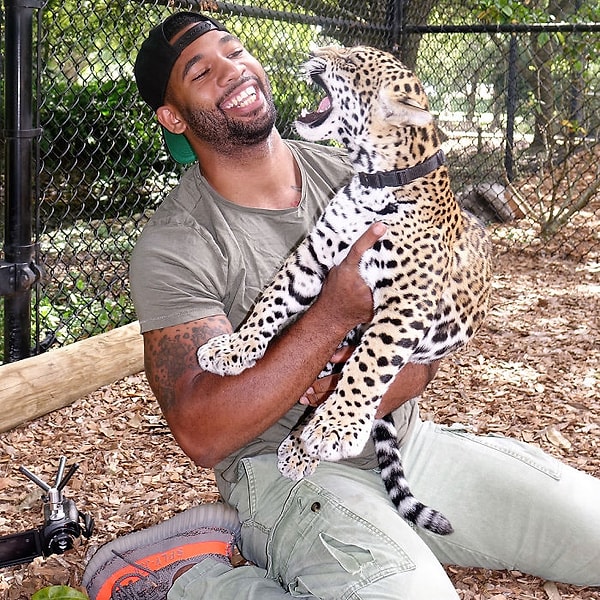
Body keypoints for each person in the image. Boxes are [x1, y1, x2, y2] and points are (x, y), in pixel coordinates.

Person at [83, 11, 600, 600]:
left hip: (402, 441)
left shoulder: (355, 169)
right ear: (173, 117)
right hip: (282, 471)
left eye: (235, 50)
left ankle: (388, 547)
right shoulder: (176, 244)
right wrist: (332, 315)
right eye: (201, 72)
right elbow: (202, 434)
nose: (231, 70)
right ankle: (181, 578)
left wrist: (360, 391)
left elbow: (431, 321)